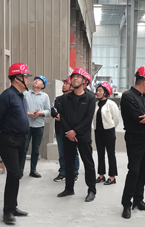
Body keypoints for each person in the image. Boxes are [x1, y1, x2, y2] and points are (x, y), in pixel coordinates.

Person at [0, 63, 31, 225]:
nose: (28, 80)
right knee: (14, 173)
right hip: (8, 140)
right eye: (26, 77)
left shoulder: (21, 96)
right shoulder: (7, 95)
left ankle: (13, 207)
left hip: (21, 139)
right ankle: (7, 211)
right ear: (17, 78)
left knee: (17, 174)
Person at [120, 66, 145, 219]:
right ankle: (126, 203)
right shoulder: (128, 96)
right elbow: (139, 117)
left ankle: (138, 200)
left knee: (143, 171)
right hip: (134, 137)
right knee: (134, 170)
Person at [57, 68, 97, 202]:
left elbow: (88, 119)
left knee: (88, 163)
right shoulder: (65, 98)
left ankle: (91, 190)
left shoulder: (90, 98)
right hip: (68, 135)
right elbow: (62, 116)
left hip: (83, 136)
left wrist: (75, 131)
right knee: (69, 162)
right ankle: (69, 188)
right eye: (73, 76)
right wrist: (69, 132)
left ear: (84, 81)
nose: (75, 78)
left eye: (78, 77)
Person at [21, 76, 51, 178]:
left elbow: (48, 110)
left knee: (36, 149)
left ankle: (33, 170)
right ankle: (20, 171)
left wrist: (40, 113)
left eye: (39, 80)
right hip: (26, 125)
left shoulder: (45, 96)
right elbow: (21, 107)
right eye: (35, 79)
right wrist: (28, 114)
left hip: (39, 126)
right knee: (23, 149)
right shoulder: (25, 94)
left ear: (43, 86)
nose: (36, 81)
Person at [51, 76, 80, 182]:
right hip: (60, 130)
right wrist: (56, 114)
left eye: (67, 83)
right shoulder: (58, 99)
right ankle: (62, 172)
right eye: (64, 83)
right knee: (62, 153)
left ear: (72, 86)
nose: (64, 85)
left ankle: (74, 172)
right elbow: (53, 108)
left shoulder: (76, 99)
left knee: (74, 153)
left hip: (72, 131)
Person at [94, 82, 120, 185]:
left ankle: (112, 177)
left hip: (109, 131)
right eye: (97, 90)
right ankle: (101, 176)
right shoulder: (96, 104)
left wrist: (111, 127)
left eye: (100, 91)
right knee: (100, 154)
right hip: (98, 132)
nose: (97, 92)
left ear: (105, 92)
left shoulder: (111, 104)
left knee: (110, 154)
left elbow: (116, 118)